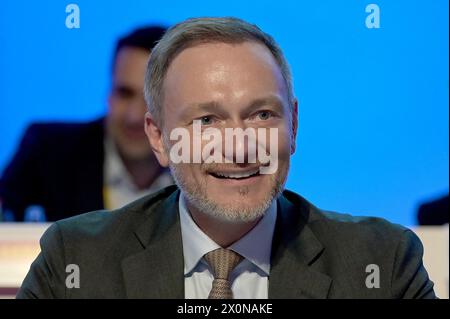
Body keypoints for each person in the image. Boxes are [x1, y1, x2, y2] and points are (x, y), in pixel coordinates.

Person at [17, 17, 435, 299]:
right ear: (158, 138)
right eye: (207, 120)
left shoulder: (382, 264)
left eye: (262, 114)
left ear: (294, 126)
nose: (238, 146)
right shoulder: (75, 261)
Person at [0, 26, 173, 222]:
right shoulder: (45, 153)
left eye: (149, 100)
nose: (134, 116)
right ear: (109, 94)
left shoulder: (197, 165)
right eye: (124, 93)